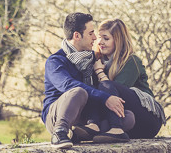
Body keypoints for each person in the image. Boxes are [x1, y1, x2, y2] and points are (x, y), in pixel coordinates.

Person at [42, 12, 135, 148]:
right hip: (59, 115)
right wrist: (106, 98)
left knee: (127, 117)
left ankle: (80, 133)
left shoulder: (93, 59)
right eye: (91, 33)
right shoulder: (55, 61)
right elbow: (68, 85)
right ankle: (60, 133)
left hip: (87, 116)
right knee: (77, 92)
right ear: (77, 36)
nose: (95, 38)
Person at [91, 18, 165, 139]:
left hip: (147, 120)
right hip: (126, 118)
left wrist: (99, 72)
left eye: (106, 38)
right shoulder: (98, 61)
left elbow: (114, 97)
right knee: (98, 127)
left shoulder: (131, 61)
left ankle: (116, 130)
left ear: (118, 40)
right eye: (99, 37)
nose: (100, 42)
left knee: (107, 86)